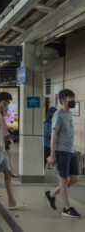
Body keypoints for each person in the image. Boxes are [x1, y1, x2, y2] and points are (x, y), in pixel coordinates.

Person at [43, 89, 82, 218]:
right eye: (71, 98)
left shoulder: (69, 114)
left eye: (73, 98)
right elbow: (53, 135)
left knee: (75, 179)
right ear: (63, 100)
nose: (73, 101)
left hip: (70, 151)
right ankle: (67, 208)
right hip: (61, 152)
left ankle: (52, 194)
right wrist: (52, 154)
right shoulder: (58, 115)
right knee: (63, 180)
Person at [2, 111, 18, 178]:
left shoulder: (2, 118)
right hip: (4, 140)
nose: (7, 113)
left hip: (5, 140)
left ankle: (10, 172)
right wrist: (6, 137)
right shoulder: (0, 118)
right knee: (8, 157)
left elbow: (4, 129)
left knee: (8, 156)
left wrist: (9, 129)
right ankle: (11, 173)